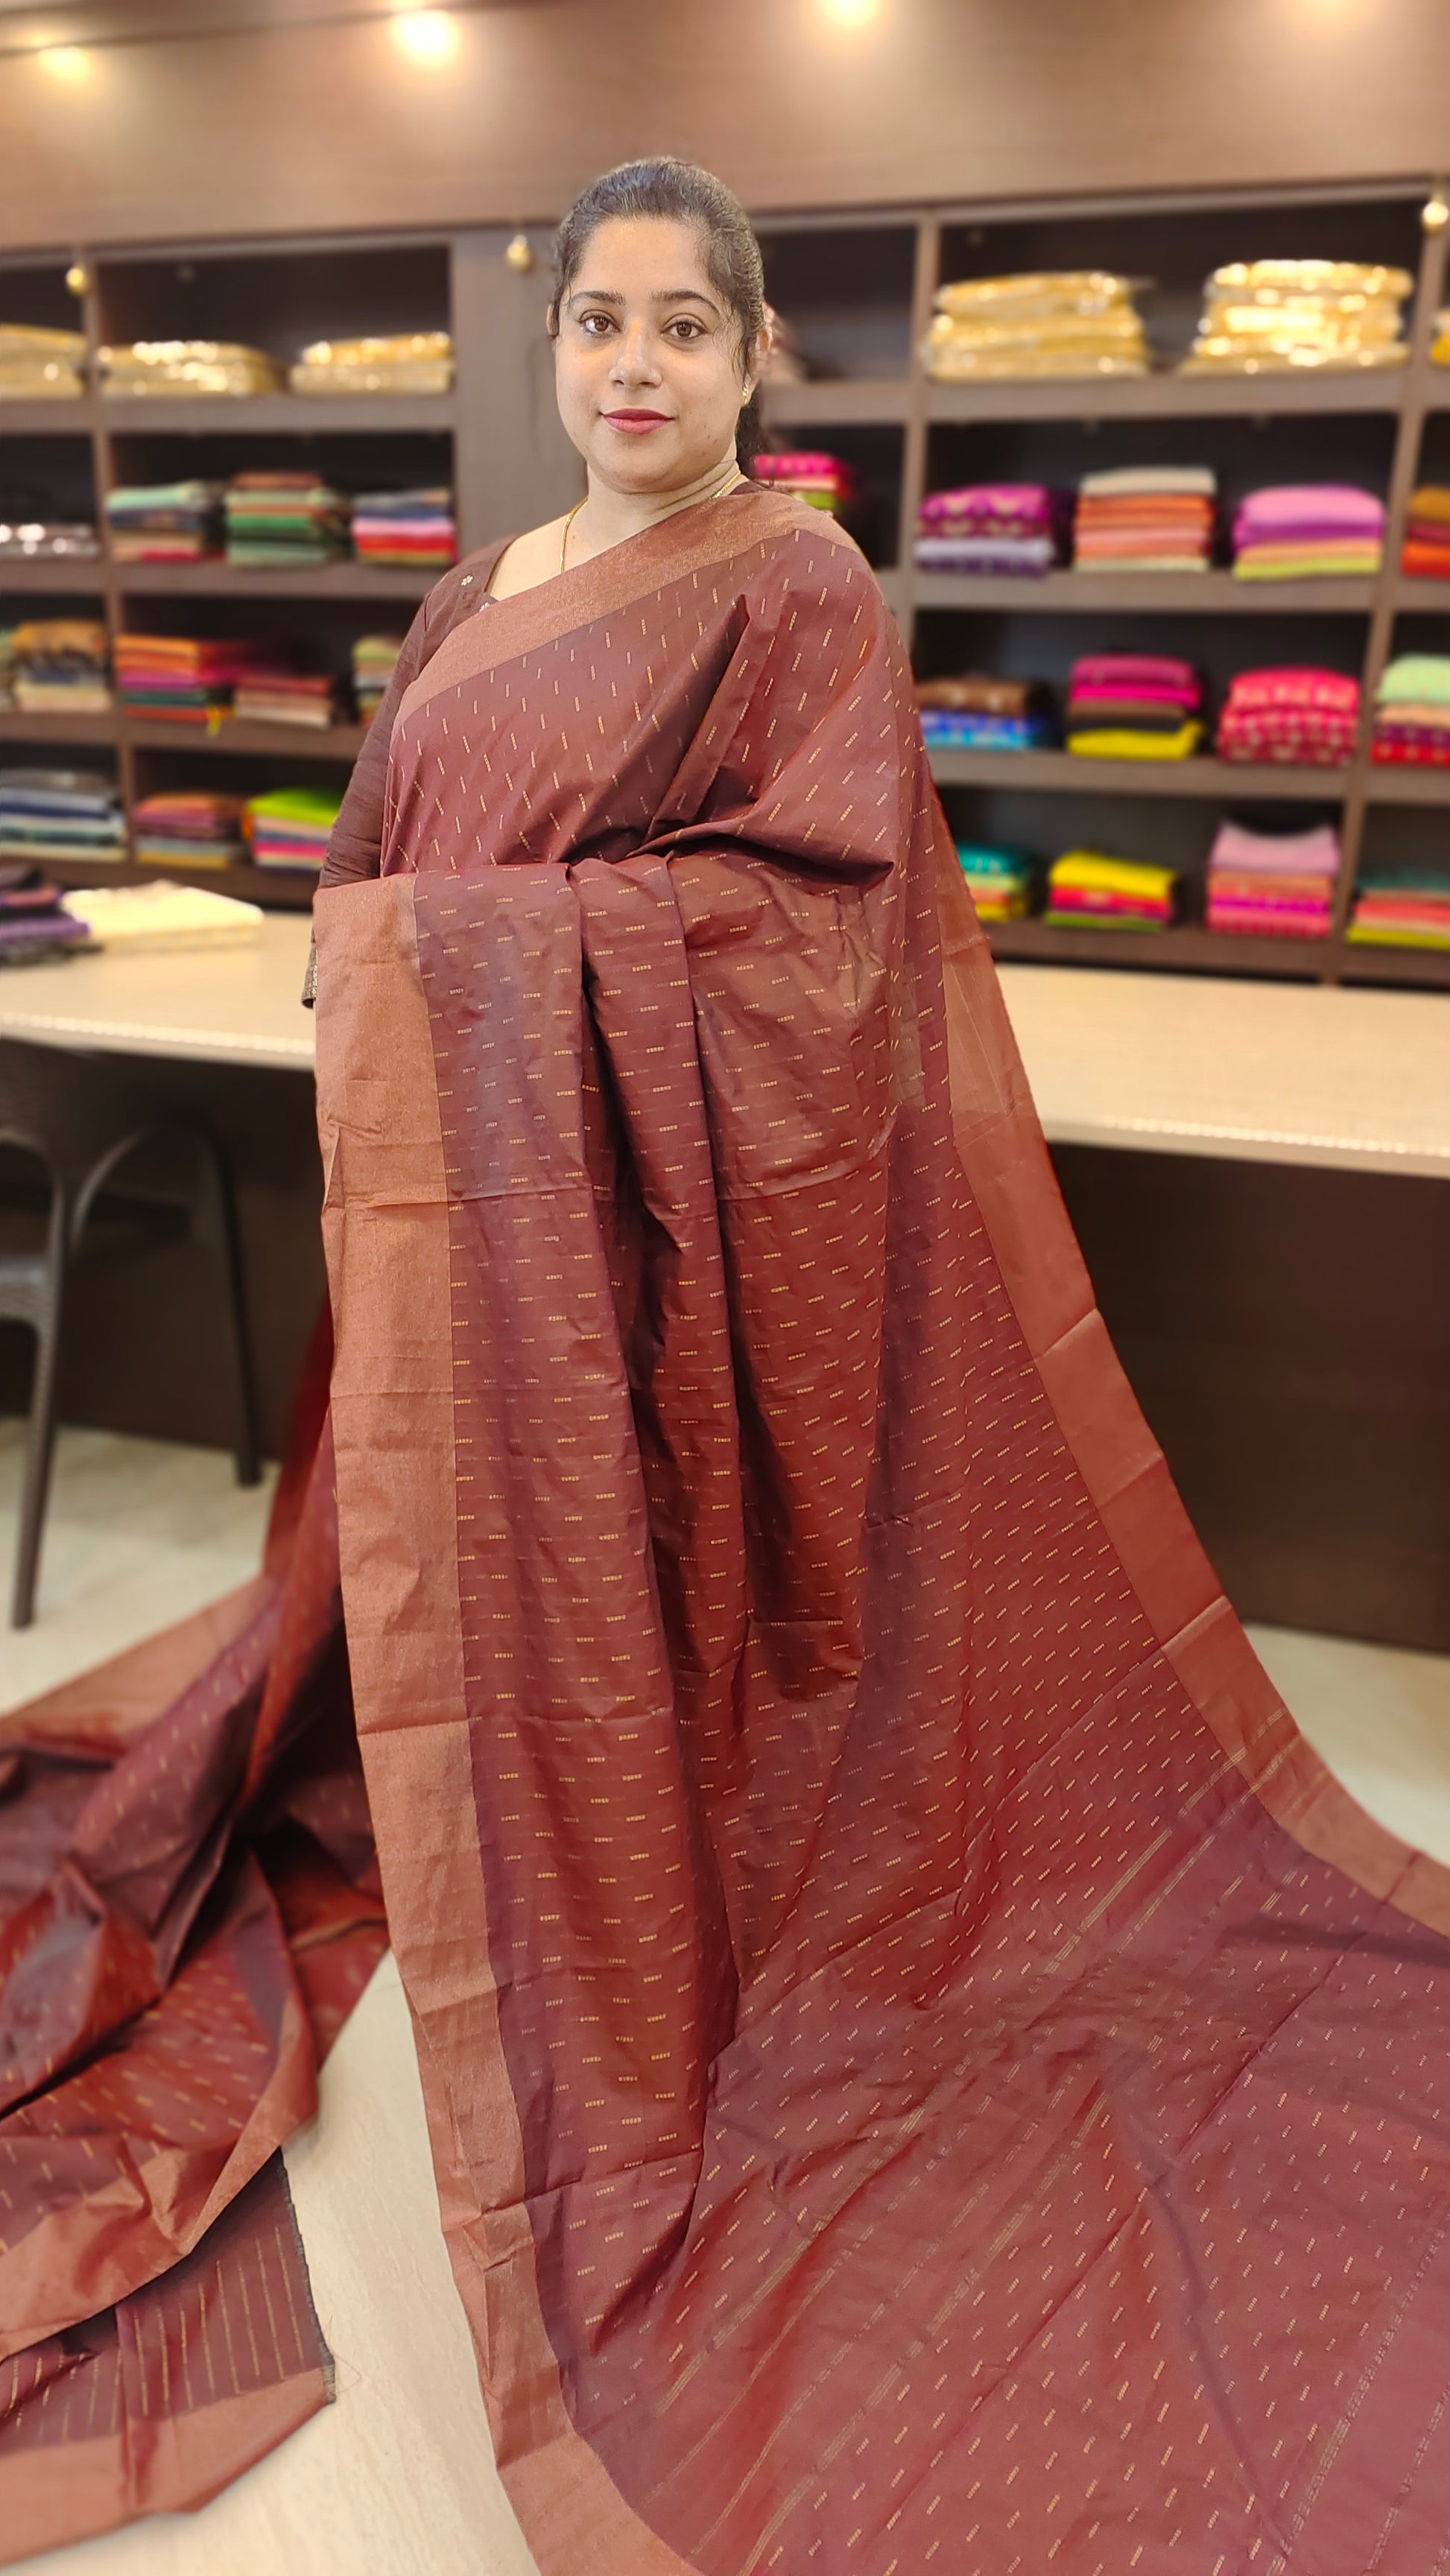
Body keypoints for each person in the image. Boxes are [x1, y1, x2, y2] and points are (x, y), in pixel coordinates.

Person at [311, 159, 1450, 2576]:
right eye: (597, 321)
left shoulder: (794, 582)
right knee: (492, 1576)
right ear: (551, 346)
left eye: (683, 325)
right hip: (483, 1214)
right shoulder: (464, 598)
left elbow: (816, 927)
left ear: (752, 357)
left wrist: (483, 959)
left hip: (673, 1217)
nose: (633, 363)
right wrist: (397, 970)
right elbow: (375, 863)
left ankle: (656, 1860)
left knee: (674, 1596)